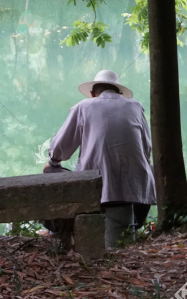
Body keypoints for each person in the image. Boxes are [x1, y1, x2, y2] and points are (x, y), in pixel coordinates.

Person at [44, 69, 156, 249]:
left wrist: (53, 163)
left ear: (92, 93)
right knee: (148, 168)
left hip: (96, 189)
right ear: (120, 93)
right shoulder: (136, 106)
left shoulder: (83, 106)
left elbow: (60, 148)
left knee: (49, 172)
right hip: (137, 191)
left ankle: (56, 230)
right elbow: (147, 147)